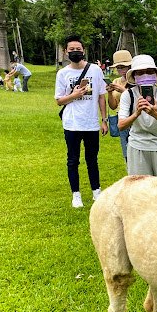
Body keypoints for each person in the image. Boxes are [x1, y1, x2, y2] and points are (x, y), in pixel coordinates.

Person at [54, 34, 108, 208]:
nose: (75, 52)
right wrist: (74, 95)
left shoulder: (95, 70)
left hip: (91, 123)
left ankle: (96, 191)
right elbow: (58, 101)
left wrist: (104, 120)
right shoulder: (63, 73)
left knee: (92, 159)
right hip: (72, 123)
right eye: (72, 50)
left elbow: (101, 96)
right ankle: (76, 195)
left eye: (78, 49)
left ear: (83, 50)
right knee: (73, 160)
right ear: (65, 52)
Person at [117, 54, 157, 180]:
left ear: (156, 74)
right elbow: (121, 125)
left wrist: (156, 114)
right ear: (134, 76)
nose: (145, 75)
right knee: (139, 191)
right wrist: (136, 113)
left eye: (149, 72)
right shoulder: (128, 95)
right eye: (140, 73)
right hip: (137, 146)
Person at [106, 49, 133, 162]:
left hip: (135, 117)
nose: (121, 70)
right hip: (121, 118)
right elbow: (113, 106)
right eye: (118, 67)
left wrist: (123, 91)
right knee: (126, 151)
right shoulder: (116, 81)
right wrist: (110, 92)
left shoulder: (137, 81)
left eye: (123, 67)